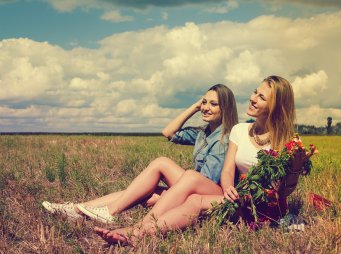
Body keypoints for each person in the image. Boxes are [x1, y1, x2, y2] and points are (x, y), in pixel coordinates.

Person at [94, 75, 315, 245]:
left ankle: (136, 231)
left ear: (276, 105)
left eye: (261, 97)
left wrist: (294, 169)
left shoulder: (288, 141)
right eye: (254, 92)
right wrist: (228, 188)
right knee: (193, 200)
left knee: (187, 192)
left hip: (263, 207)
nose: (253, 98)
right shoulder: (239, 130)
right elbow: (227, 171)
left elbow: (284, 191)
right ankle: (139, 231)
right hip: (236, 196)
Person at [42, 84, 238, 223]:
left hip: (209, 194)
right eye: (204, 102)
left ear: (225, 109)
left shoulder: (226, 138)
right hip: (191, 186)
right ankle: (77, 208)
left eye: (213, 104)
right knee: (140, 193)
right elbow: (168, 132)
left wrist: (174, 192)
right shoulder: (202, 133)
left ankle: (109, 212)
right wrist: (194, 107)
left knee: (162, 162)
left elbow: (206, 179)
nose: (205, 107)